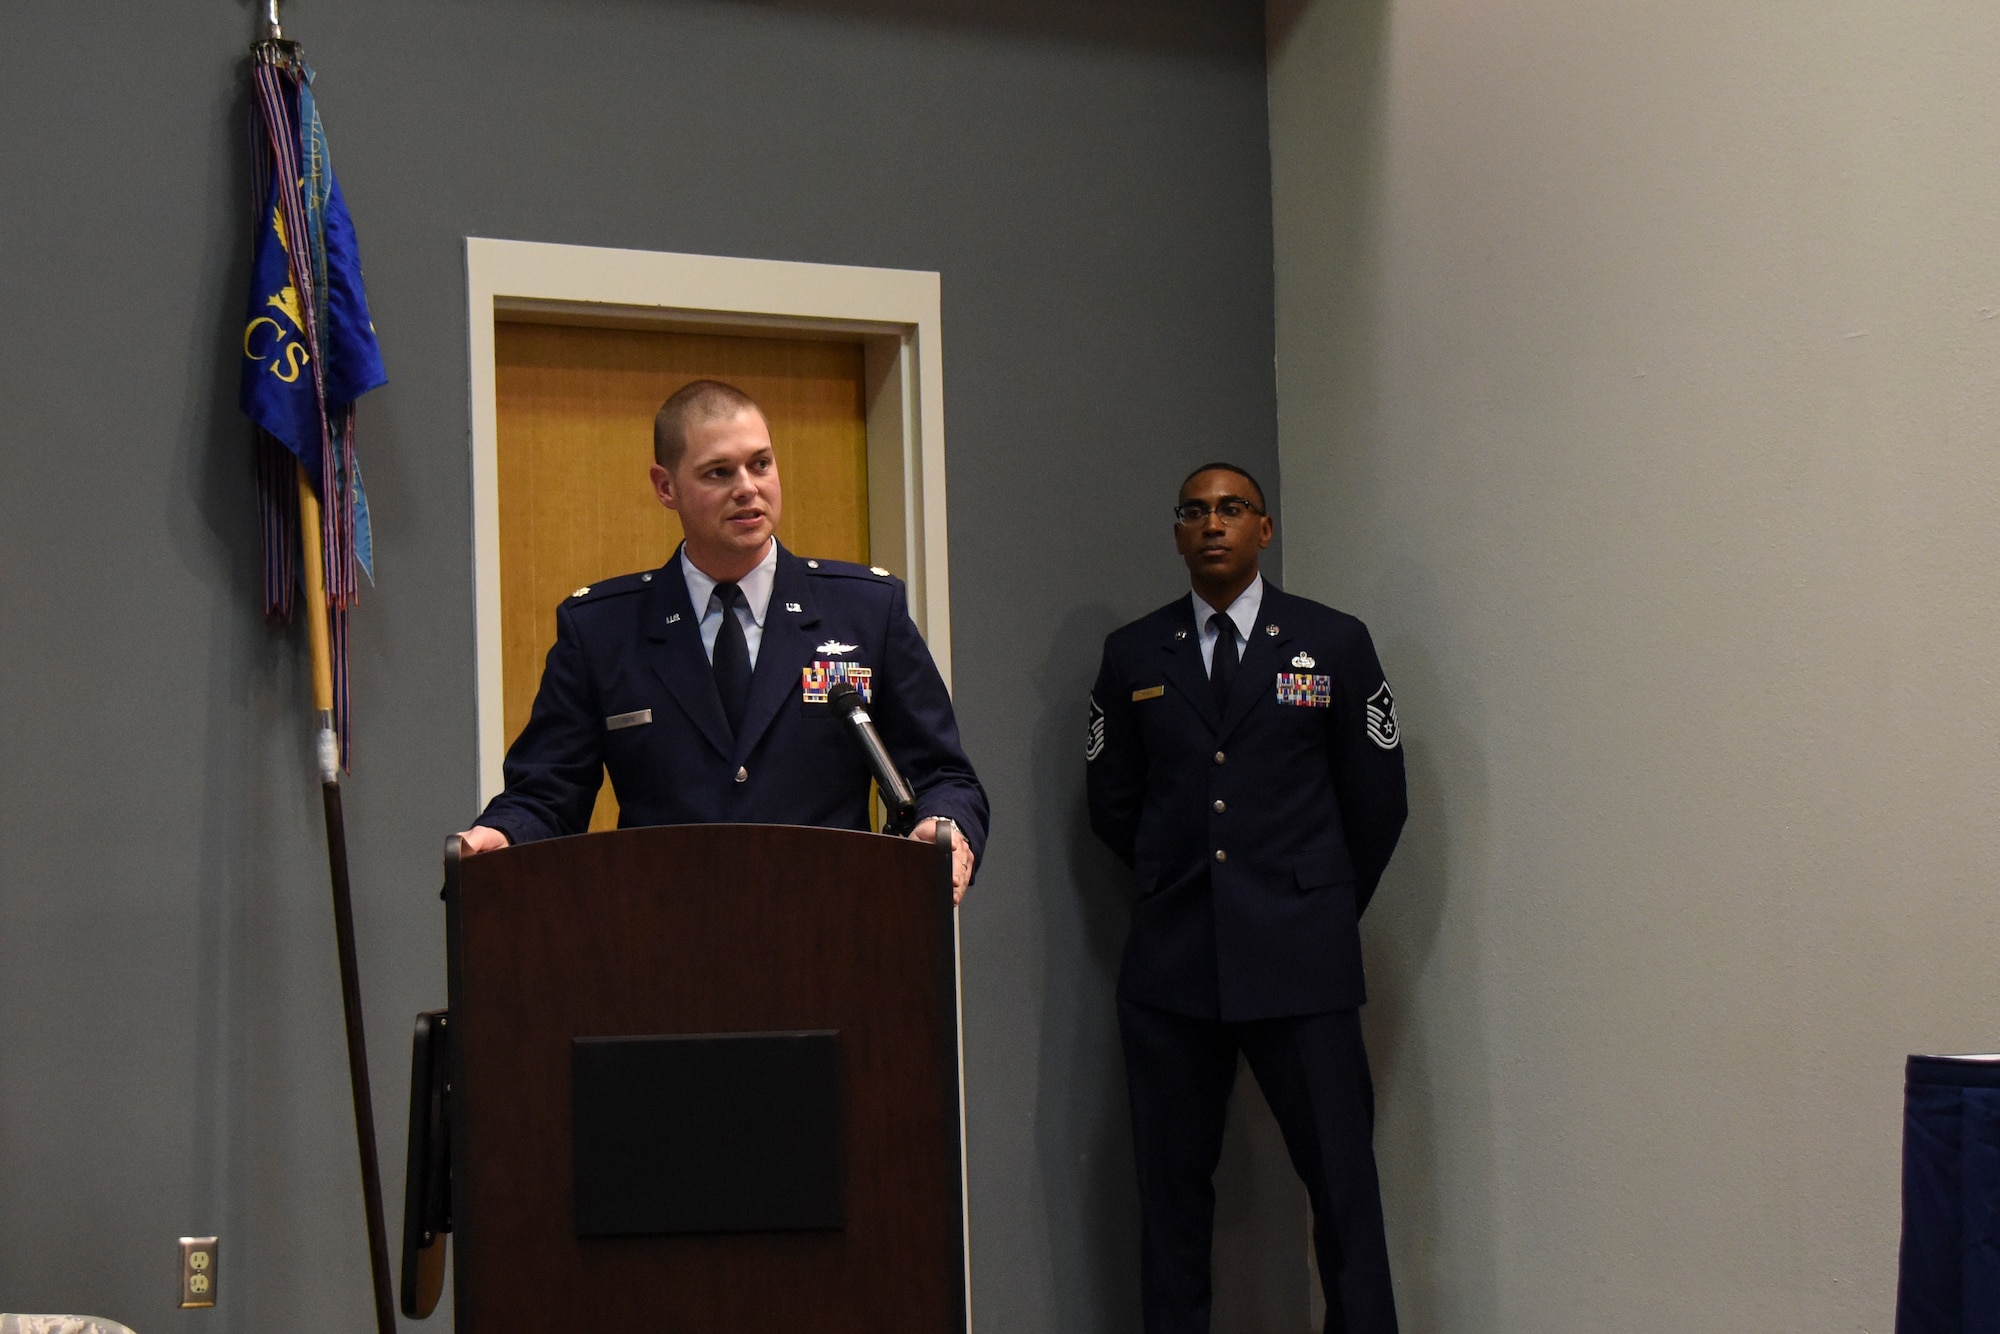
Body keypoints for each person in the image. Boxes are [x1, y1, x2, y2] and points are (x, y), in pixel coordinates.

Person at [1086, 463, 1407, 1332]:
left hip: (1302, 959)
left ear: (1265, 530)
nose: (1213, 524)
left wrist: (1318, 902)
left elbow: (1377, 800)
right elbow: (1114, 802)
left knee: (1342, 1186)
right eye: (1195, 512)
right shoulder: (1134, 654)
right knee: (1172, 1197)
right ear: (1178, 533)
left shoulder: (1332, 643)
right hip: (1176, 965)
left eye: (1232, 509)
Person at [456, 379, 984, 900]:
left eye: (761, 463)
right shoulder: (602, 630)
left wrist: (946, 828)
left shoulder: (865, 610)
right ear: (666, 487)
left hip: (830, 931)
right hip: (661, 940)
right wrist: (500, 836)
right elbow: (548, 792)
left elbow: (942, 773)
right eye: (718, 472)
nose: (748, 487)